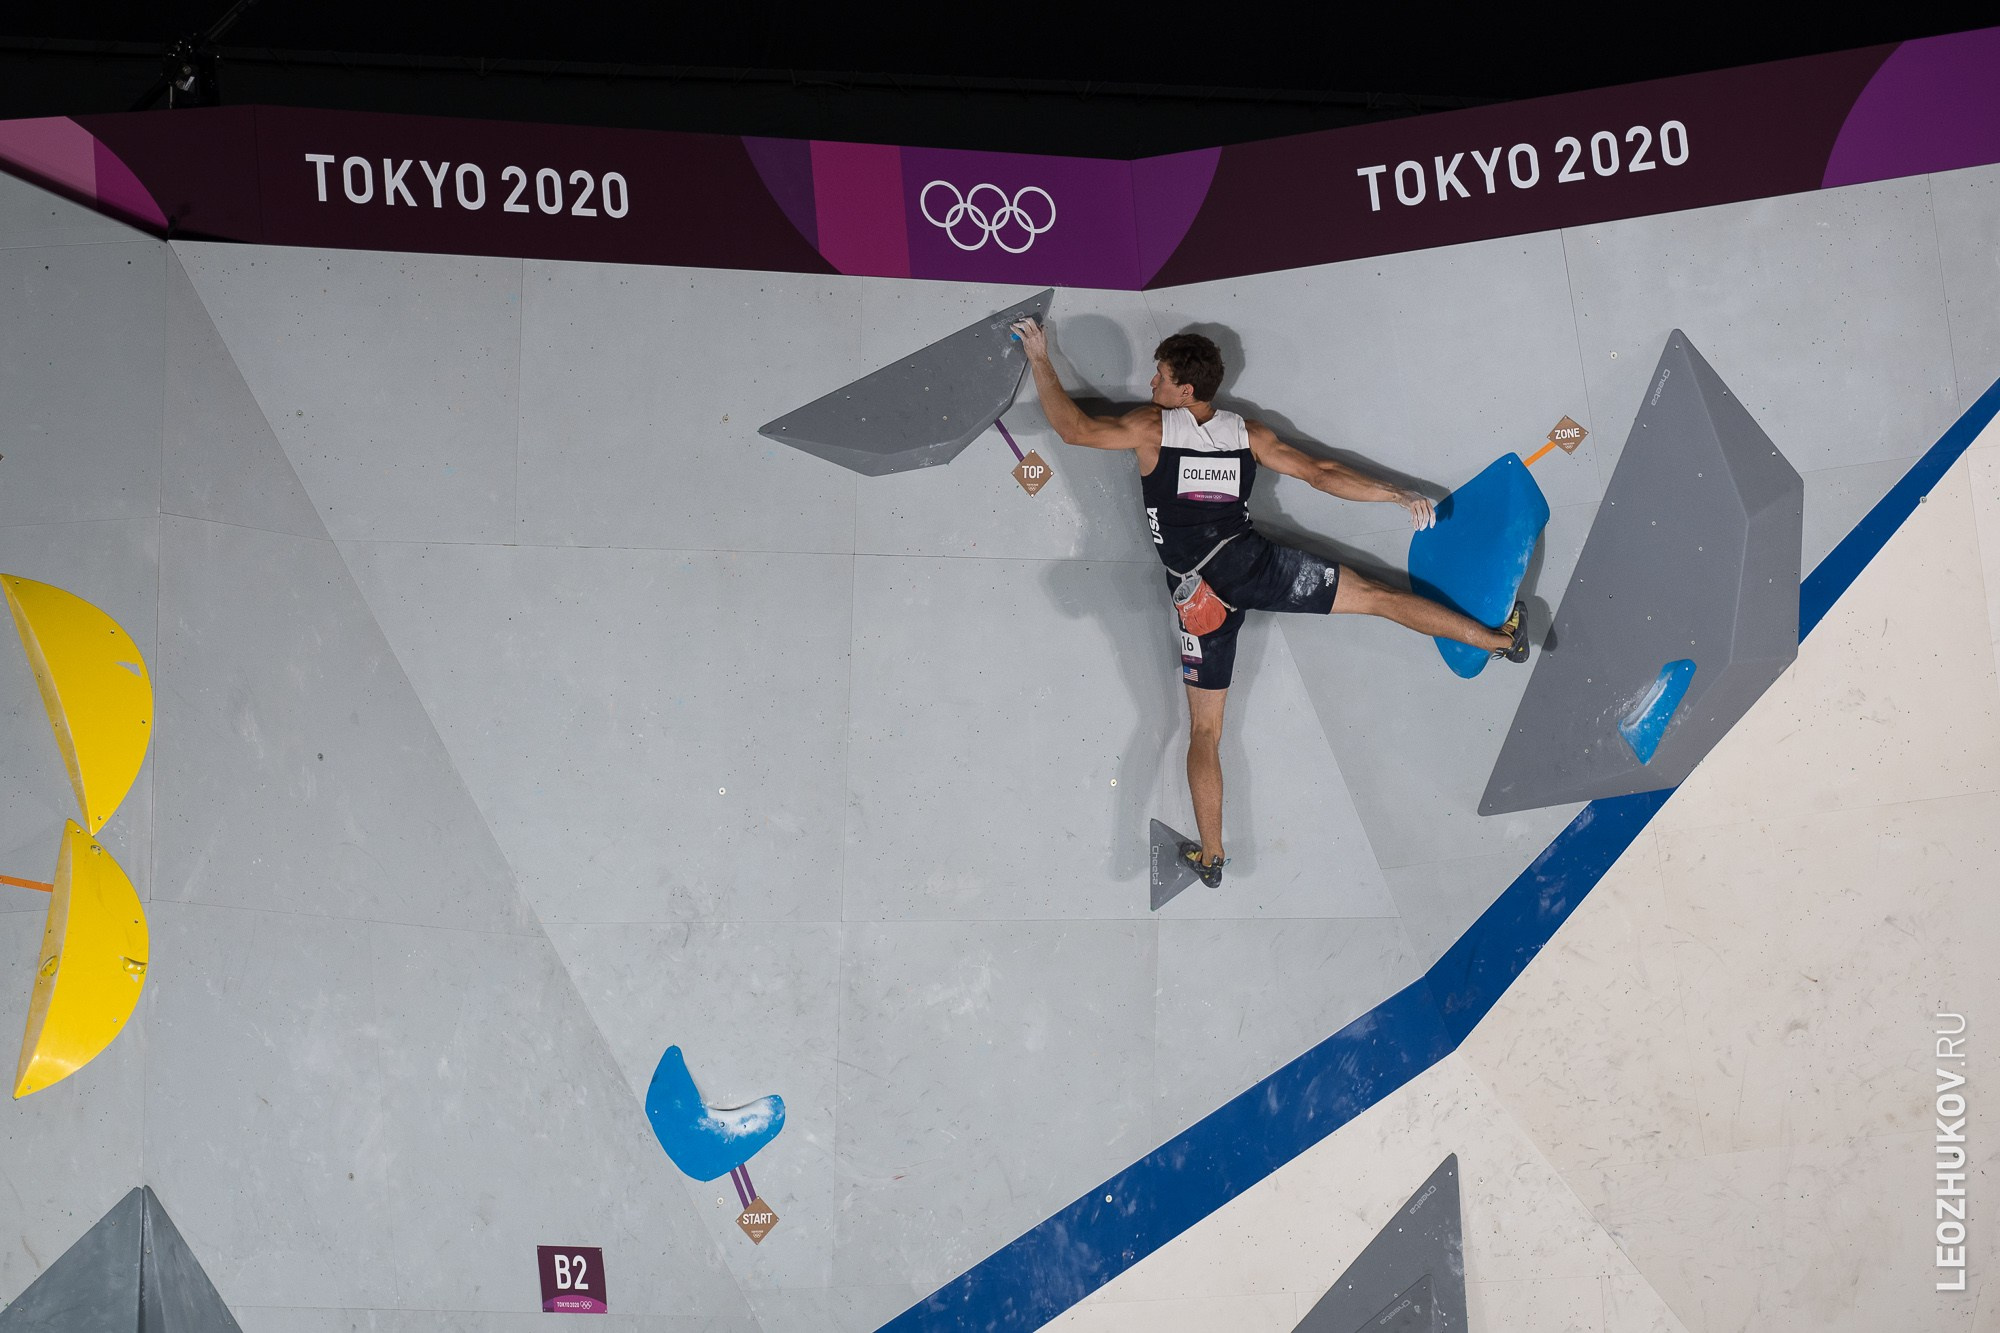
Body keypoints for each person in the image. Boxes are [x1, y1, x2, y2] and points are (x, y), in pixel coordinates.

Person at [1011, 320, 1527, 888]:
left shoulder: (1151, 428)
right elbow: (1322, 474)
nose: (1151, 381)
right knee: (1380, 599)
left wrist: (1039, 355)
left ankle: (1211, 857)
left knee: (1205, 731)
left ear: (1186, 390)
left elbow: (1075, 429)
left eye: (1160, 375)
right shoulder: (1247, 433)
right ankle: (1503, 639)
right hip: (1258, 569)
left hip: (1198, 599)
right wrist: (1396, 494)